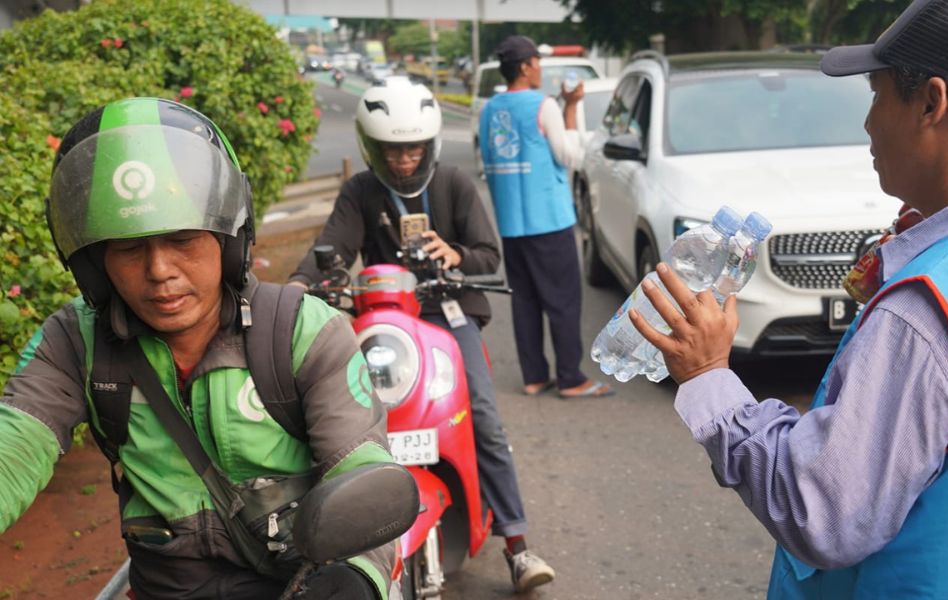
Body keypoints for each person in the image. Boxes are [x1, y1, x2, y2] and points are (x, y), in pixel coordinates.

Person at [629, 1, 948, 597]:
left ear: (931, 103)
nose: (867, 123)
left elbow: (824, 514)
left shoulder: (925, 309)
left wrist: (709, 379)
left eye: (877, 94)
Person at [0, 98, 402, 598]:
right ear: (94, 266)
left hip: (303, 580)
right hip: (171, 586)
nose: (160, 271)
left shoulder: (301, 331)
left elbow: (360, 466)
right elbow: (14, 442)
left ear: (228, 240)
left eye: (183, 240)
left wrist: (354, 577)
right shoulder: (74, 341)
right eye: (128, 248)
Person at [288, 79, 556, 592]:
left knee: (482, 417)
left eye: (413, 148)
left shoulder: (453, 183)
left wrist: (456, 255)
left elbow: (488, 255)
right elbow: (332, 250)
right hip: (383, 322)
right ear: (373, 147)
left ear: (429, 145)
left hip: (447, 316)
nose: (405, 159)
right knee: (333, 416)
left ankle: (518, 546)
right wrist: (302, 285)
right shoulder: (361, 191)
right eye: (393, 150)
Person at [477, 35, 613, 399]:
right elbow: (570, 156)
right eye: (536, 61)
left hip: (512, 223)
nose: (540, 68)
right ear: (524, 67)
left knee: (525, 301)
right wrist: (571, 108)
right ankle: (571, 378)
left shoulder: (489, 109)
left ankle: (534, 376)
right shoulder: (543, 106)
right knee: (563, 301)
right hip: (548, 221)